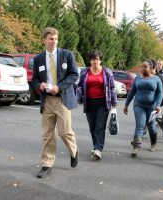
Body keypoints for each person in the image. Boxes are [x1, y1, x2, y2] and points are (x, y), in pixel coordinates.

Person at [32, 27, 79, 178]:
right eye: (51, 39)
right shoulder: (38, 59)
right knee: (47, 134)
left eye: (56, 39)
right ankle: (47, 164)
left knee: (65, 132)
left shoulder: (67, 55)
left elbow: (74, 75)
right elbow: (34, 80)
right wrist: (39, 85)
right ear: (44, 40)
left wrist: (59, 87)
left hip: (62, 99)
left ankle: (73, 151)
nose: (54, 42)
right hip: (47, 101)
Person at [77, 50, 117, 160]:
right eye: (93, 59)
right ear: (90, 60)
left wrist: (114, 102)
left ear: (101, 60)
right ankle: (95, 145)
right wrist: (77, 98)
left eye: (98, 59)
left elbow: (112, 87)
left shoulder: (107, 72)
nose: (95, 61)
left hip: (103, 103)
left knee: (100, 126)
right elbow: (80, 86)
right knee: (92, 126)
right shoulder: (84, 72)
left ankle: (98, 149)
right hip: (89, 102)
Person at [123, 60, 163, 156]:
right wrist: (126, 105)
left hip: (152, 107)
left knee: (151, 126)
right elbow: (132, 92)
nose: (143, 68)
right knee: (140, 125)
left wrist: (158, 105)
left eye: (145, 67)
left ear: (150, 68)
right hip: (138, 105)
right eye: (142, 66)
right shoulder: (137, 78)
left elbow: (160, 93)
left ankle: (153, 142)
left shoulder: (156, 79)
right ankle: (136, 146)